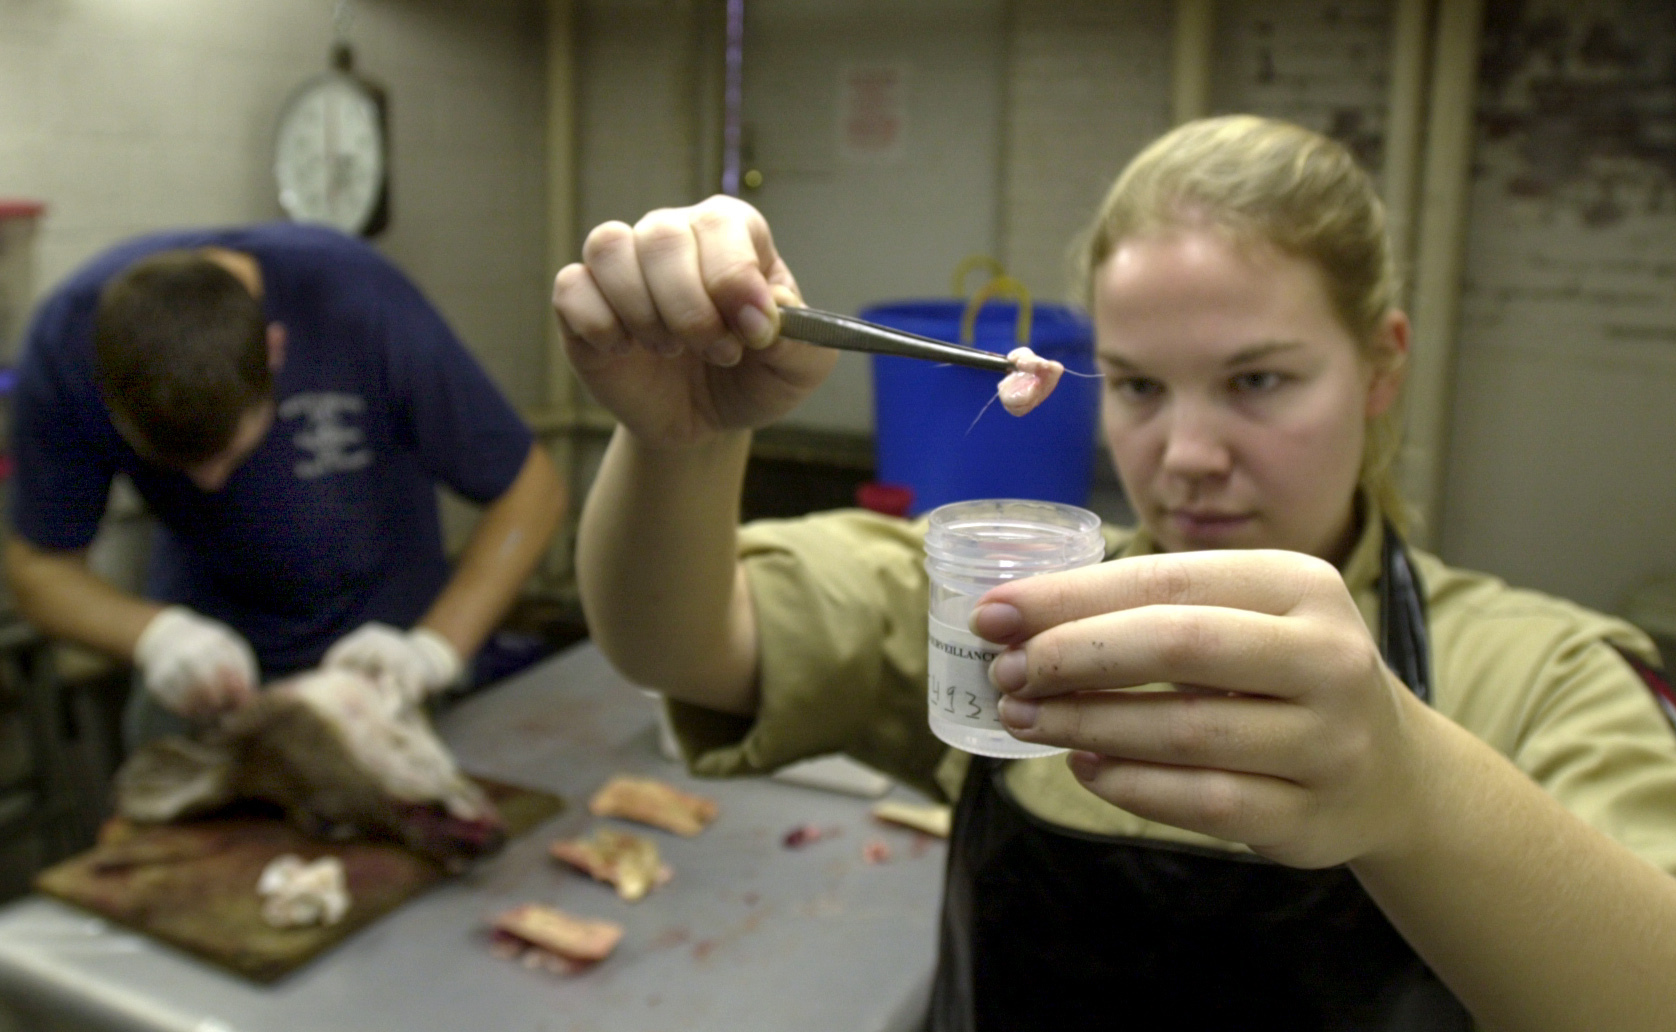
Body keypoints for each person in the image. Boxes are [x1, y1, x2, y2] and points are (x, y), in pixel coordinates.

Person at [554, 116, 1676, 1031]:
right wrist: (681, 441)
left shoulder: (1537, 675)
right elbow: (678, 638)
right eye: (1137, 387)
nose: (1184, 456)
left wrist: (1416, 790)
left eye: (1256, 381)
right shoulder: (1014, 624)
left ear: (1380, 365)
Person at [5, 222, 564, 747]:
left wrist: (433, 651)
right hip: (211, 673)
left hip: (379, 658)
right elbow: (37, 567)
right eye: (177, 465)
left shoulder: (359, 305)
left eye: (228, 452)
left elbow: (532, 493)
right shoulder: (67, 346)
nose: (209, 483)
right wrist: (155, 637)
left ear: (275, 352)